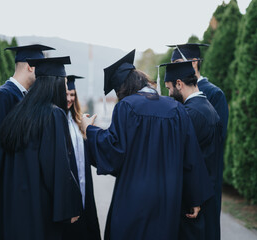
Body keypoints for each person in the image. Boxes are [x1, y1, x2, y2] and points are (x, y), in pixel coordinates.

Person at [80, 50, 212, 240]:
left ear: (123, 89)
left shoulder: (126, 107)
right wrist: (194, 198)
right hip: (168, 199)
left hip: (134, 199)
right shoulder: (176, 109)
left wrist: (90, 131)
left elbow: (114, 151)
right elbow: (190, 156)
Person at [0, 56, 83, 240]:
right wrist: (69, 207)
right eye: (63, 84)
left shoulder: (17, 113)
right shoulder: (54, 115)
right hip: (38, 207)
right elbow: (56, 167)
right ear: (54, 85)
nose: (65, 90)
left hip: (13, 205)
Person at [0, 44, 55, 240]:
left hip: (14, 185)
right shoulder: (2, 97)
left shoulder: (21, 97)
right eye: (41, 67)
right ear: (30, 66)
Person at [169, 43, 229, 240]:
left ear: (194, 62)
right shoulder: (180, 93)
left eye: (178, 63)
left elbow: (216, 139)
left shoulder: (212, 94)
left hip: (205, 173)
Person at [62, 75, 101, 240]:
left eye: (73, 95)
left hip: (85, 190)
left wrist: (91, 133)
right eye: (67, 94)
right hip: (69, 194)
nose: (70, 99)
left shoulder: (78, 121)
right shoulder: (56, 121)